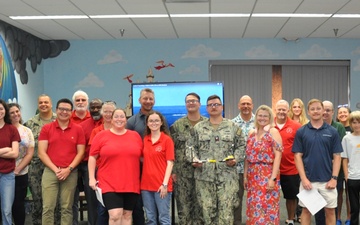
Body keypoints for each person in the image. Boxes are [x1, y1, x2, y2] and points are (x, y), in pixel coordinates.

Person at [187, 95, 245, 225]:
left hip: (227, 178)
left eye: (216, 104)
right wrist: (194, 159)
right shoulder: (198, 128)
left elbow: (242, 145)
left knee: (226, 214)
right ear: (206, 108)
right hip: (204, 177)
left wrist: (235, 159)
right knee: (207, 213)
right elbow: (190, 147)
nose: (214, 107)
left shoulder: (233, 127)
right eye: (211, 105)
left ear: (222, 107)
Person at [292, 99, 342, 225]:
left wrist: (334, 178)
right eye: (312, 109)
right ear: (308, 112)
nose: (316, 111)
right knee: (307, 211)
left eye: (318, 108)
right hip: (308, 181)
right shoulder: (301, 132)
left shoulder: (332, 132)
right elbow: (297, 156)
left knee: (330, 211)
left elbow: (337, 156)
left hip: (328, 181)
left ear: (323, 110)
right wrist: (303, 179)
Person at [89, 108, 143, 225]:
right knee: (114, 215)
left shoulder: (135, 136)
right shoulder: (101, 136)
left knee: (127, 215)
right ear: (111, 120)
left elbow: (143, 157)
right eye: (116, 117)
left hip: (131, 182)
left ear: (126, 120)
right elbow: (92, 157)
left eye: (122, 116)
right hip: (109, 182)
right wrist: (91, 178)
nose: (119, 119)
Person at [38, 98, 86, 225]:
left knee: (67, 208)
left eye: (67, 110)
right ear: (56, 110)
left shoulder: (78, 129)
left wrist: (68, 169)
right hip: (50, 171)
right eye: (61, 109)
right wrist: (56, 170)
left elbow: (80, 152)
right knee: (48, 208)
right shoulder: (46, 128)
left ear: (71, 112)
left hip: (70, 172)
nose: (64, 112)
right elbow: (41, 152)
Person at [170, 92, 206, 225]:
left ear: (199, 104)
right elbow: (171, 150)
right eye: (188, 101)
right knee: (184, 212)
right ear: (185, 105)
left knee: (201, 211)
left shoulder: (206, 125)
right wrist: (173, 171)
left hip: (203, 174)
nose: (191, 103)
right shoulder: (176, 126)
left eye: (194, 101)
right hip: (182, 175)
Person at [244, 104, 283, 224]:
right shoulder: (251, 133)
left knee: (268, 208)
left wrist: (273, 178)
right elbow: (247, 157)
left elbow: (278, 156)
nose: (262, 118)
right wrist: (245, 176)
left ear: (270, 117)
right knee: (253, 207)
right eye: (260, 115)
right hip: (252, 176)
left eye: (265, 116)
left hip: (268, 174)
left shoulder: (273, 131)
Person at [24, 94, 58, 225]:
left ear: (51, 104)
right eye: (41, 103)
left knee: (56, 200)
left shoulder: (59, 120)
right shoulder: (30, 123)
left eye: (46, 102)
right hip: (36, 167)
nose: (43, 105)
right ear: (38, 105)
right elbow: (26, 146)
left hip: (55, 165)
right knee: (38, 200)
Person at [126, 88, 155, 225]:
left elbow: (167, 143)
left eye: (150, 99)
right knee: (137, 206)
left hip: (156, 169)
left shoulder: (160, 120)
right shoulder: (131, 122)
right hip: (137, 169)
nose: (148, 101)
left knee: (157, 205)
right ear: (139, 100)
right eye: (145, 98)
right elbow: (126, 145)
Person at [141, 111, 174, 225]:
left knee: (163, 218)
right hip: (146, 186)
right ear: (147, 124)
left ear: (161, 123)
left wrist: (164, 184)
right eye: (151, 121)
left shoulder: (167, 140)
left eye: (156, 120)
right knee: (150, 219)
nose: (153, 123)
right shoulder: (145, 139)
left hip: (162, 186)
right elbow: (142, 158)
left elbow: (170, 163)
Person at [88, 101, 116, 225]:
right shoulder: (96, 131)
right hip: (102, 172)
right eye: (105, 111)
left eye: (111, 112)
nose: (108, 114)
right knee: (102, 206)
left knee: (117, 207)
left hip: (119, 172)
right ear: (101, 113)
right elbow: (93, 155)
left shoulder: (121, 130)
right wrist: (92, 177)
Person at [321, 101, 349, 225]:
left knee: (337, 194)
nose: (325, 112)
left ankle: (336, 218)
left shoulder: (339, 127)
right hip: (322, 169)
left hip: (337, 168)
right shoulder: (315, 125)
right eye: (324, 110)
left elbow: (341, 148)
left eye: (328, 110)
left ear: (333, 112)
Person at [274, 100, 301, 225]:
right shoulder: (268, 124)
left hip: (290, 168)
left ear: (288, 111)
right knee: (270, 196)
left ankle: (290, 219)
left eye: (284, 109)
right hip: (271, 170)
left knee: (291, 197)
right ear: (275, 110)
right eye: (279, 109)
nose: (281, 112)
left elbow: (302, 147)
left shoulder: (296, 126)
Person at [8, 103, 35, 225]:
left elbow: (29, 153)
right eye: (12, 112)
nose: (15, 114)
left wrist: (18, 169)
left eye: (17, 111)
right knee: (5, 204)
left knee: (18, 204)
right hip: (4, 172)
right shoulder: (3, 129)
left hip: (21, 172)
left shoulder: (27, 131)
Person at [78, 98, 103, 225]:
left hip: (106, 166)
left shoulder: (110, 123)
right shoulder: (82, 126)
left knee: (108, 198)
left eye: (98, 107)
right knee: (91, 199)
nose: (95, 110)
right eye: (92, 108)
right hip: (89, 167)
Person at [231, 95, 254, 225]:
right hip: (237, 169)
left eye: (248, 104)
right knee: (236, 201)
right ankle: (237, 222)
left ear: (252, 105)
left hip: (257, 170)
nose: (246, 106)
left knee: (256, 200)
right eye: (243, 104)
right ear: (239, 106)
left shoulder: (260, 121)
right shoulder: (232, 124)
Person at [71, 90, 90, 224]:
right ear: (74, 103)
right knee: (72, 198)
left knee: (92, 197)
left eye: (83, 100)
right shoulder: (67, 119)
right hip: (72, 164)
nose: (80, 102)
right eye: (78, 100)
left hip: (90, 163)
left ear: (87, 102)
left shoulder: (95, 118)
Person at [0, 99, 20, 225]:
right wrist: (5, 150)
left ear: (5, 111)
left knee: (7, 209)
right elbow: (9, 151)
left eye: (1, 109)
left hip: (7, 175)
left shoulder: (12, 129)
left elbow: (15, 153)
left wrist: (9, 151)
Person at [341, 110, 360, 225]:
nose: (356, 125)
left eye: (358, 122)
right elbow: (344, 159)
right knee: (354, 208)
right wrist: (347, 176)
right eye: (354, 122)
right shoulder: (346, 139)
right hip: (352, 177)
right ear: (350, 124)